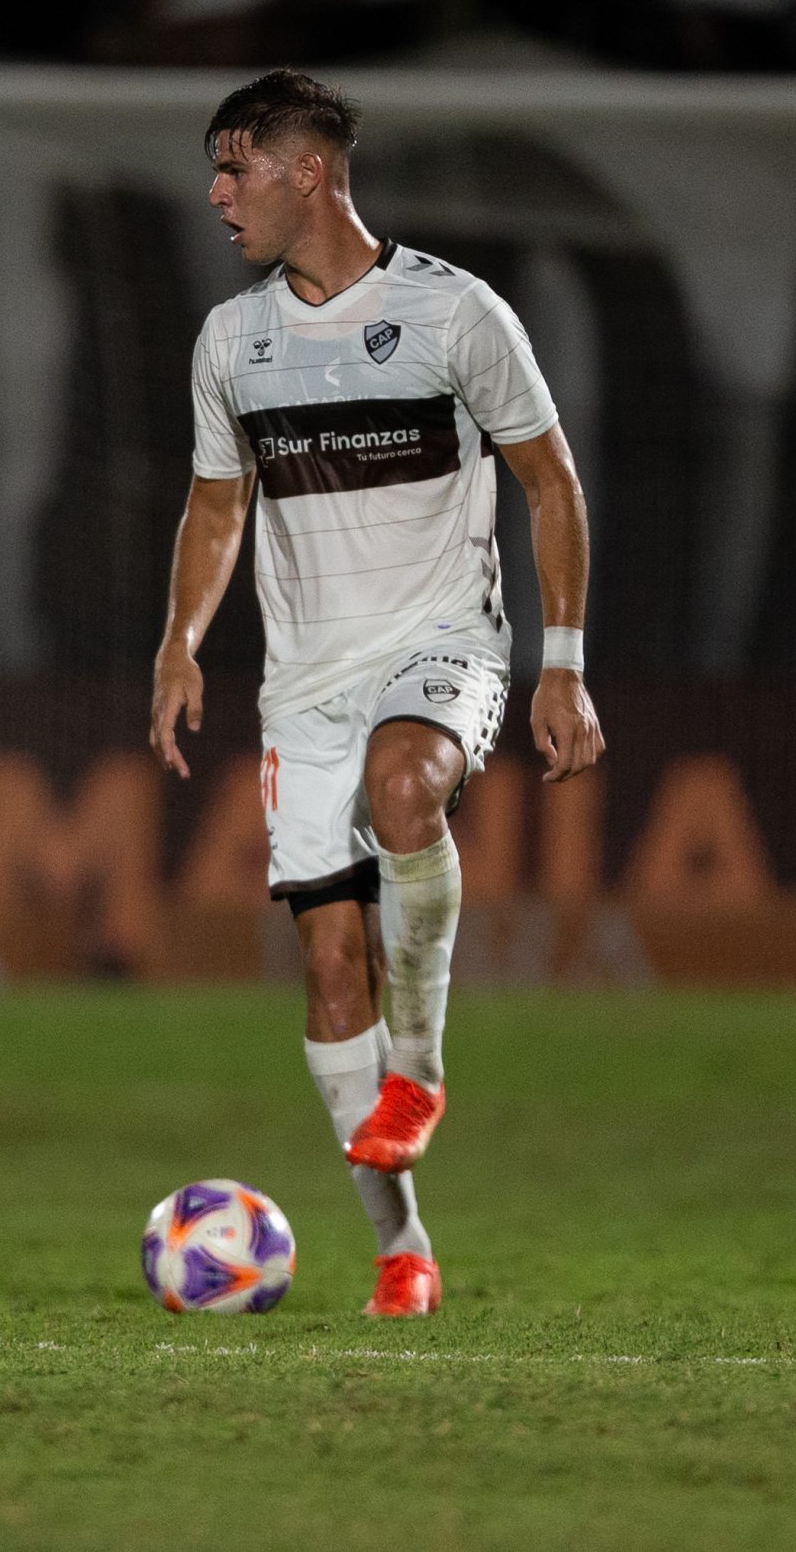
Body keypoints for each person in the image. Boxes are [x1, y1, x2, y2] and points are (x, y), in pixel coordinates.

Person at [149, 70, 603, 1319]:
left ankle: (422, 1067)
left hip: (443, 640)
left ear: (308, 171)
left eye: (235, 166)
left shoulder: (456, 316)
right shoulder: (229, 342)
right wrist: (180, 640)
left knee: (409, 789)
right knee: (331, 971)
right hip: (304, 684)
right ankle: (401, 1248)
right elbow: (216, 500)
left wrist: (560, 663)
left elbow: (551, 484)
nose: (216, 192)